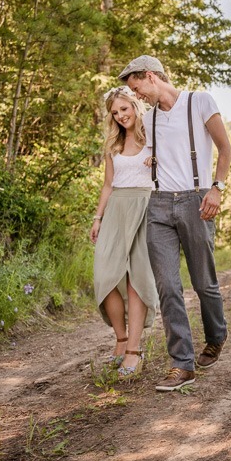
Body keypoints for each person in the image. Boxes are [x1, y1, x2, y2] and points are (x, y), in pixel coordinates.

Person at [118, 54, 231, 392]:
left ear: (152, 77)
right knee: (168, 286)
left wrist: (217, 188)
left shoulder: (199, 101)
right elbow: (149, 154)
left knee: (203, 283)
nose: (137, 96)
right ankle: (182, 364)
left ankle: (215, 336)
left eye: (138, 88)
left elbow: (225, 148)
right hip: (159, 206)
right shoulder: (148, 120)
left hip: (196, 200)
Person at [90, 86, 160, 377]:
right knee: (106, 276)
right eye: (115, 113)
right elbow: (108, 185)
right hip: (117, 208)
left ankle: (133, 350)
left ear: (135, 105)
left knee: (136, 280)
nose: (120, 116)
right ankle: (120, 339)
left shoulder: (155, 137)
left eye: (124, 109)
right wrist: (97, 218)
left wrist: (158, 160)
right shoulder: (113, 146)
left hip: (146, 207)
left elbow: (174, 167)